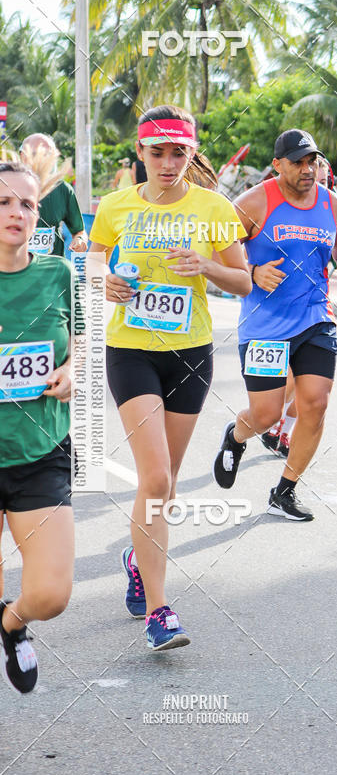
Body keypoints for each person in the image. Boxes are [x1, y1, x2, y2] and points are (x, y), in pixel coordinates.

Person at [88, 105, 251, 650]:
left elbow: (243, 281)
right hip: (131, 351)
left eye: (178, 152)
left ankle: (138, 559)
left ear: (191, 153)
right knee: (155, 478)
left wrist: (207, 267)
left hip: (190, 353)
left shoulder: (213, 207)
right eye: (156, 152)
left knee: (168, 484)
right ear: (140, 152)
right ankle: (160, 612)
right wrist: (105, 280)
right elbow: (93, 262)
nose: (166, 162)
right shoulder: (115, 206)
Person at [212, 128, 337, 521]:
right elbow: (212, 253)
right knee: (265, 415)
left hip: (316, 318)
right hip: (264, 326)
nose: (307, 169)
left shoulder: (334, 206)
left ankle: (285, 490)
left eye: (312, 161)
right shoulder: (253, 202)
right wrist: (252, 271)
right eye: (298, 162)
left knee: (316, 403)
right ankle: (236, 435)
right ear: (277, 164)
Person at [0, 161, 76, 694]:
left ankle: (12, 622)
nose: (16, 212)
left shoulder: (59, 274)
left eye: (27, 204)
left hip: (39, 451)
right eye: (4, 202)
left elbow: (85, 342)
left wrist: (73, 371)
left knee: (51, 595)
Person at [19, 133, 87, 257]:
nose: (42, 159)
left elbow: (79, 231)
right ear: (22, 156)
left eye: (48, 154)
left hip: (53, 267)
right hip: (13, 267)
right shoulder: (6, 186)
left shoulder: (62, 189)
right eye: (35, 154)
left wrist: (79, 240)